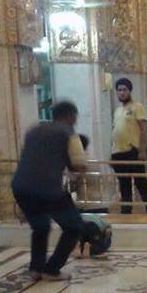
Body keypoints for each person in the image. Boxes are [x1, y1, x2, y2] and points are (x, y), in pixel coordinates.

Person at [11, 100, 87, 281]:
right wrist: (78, 174)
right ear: (70, 115)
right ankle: (52, 269)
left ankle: (36, 269)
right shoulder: (68, 133)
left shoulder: (33, 130)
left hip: (21, 187)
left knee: (40, 227)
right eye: (75, 116)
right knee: (73, 227)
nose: (75, 121)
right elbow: (78, 164)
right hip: (47, 189)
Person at [111, 77, 147, 214]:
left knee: (141, 182)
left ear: (129, 91)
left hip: (133, 151)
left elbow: (144, 130)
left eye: (124, 90)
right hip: (118, 153)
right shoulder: (117, 111)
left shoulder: (137, 107)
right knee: (123, 184)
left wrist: (142, 150)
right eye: (119, 90)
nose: (122, 93)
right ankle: (126, 210)